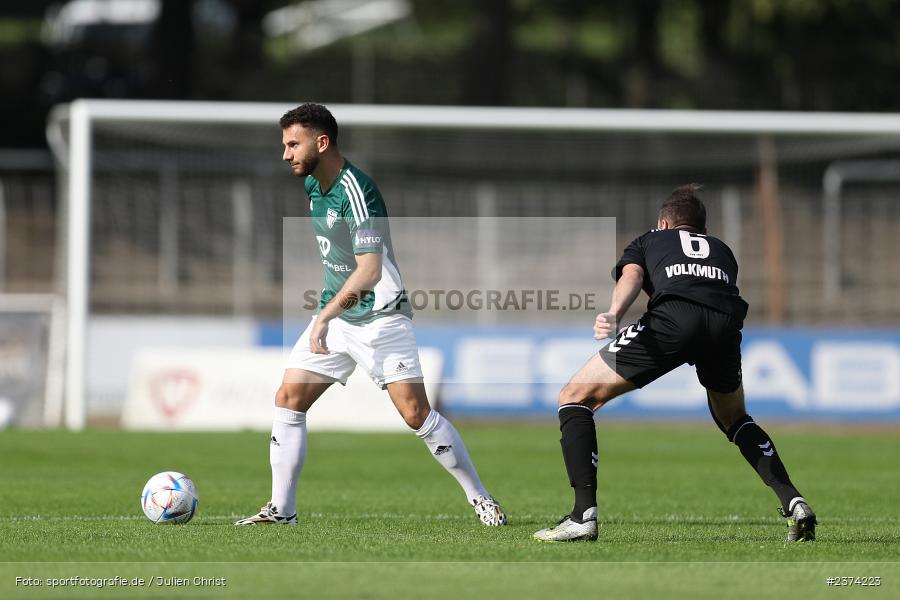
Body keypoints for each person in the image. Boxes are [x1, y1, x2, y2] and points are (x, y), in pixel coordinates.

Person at [236, 103, 506, 527]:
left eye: (293, 144)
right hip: (338, 315)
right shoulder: (313, 186)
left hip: (381, 316)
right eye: (284, 145)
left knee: (416, 413)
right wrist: (330, 314)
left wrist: (324, 315)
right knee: (288, 399)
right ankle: (281, 509)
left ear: (321, 143)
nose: (285, 154)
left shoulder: (358, 189)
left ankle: (481, 498)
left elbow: (370, 268)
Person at [533, 184, 815, 543]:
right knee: (736, 419)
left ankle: (582, 516)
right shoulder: (723, 251)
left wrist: (614, 313)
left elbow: (632, 276)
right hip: (725, 326)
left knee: (574, 397)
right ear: (704, 231)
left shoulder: (650, 239)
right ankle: (794, 501)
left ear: (663, 223)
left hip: (673, 321)